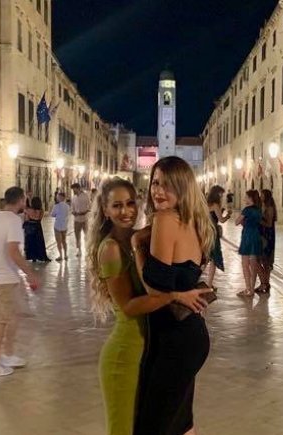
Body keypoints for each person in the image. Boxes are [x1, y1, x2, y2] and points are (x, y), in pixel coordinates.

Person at [88, 177, 209, 435]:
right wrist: (177, 296)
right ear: (105, 210)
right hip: (125, 354)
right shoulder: (110, 248)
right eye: (117, 206)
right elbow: (129, 307)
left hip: (150, 349)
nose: (126, 211)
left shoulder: (140, 239)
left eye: (130, 203)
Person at [131, 156, 215, 435]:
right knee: (181, 424)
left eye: (167, 185)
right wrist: (179, 294)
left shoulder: (166, 219)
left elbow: (154, 288)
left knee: (152, 427)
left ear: (182, 188)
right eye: (155, 183)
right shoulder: (192, 221)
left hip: (175, 340)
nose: (158, 191)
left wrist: (136, 246)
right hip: (188, 336)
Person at [0, 186, 39, 378]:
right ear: (20, 200)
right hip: (4, 277)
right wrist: (30, 273)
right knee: (1, 320)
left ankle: (8, 354)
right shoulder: (14, 220)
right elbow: (13, 251)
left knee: (14, 314)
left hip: (5, 275)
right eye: (24, 199)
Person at [235, 190, 263, 298]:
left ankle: (248, 289)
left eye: (246, 197)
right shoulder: (258, 209)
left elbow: (237, 222)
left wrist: (242, 218)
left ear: (250, 198)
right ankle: (252, 288)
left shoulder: (247, 210)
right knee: (253, 265)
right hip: (256, 236)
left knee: (245, 264)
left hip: (247, 237)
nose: (244, 198)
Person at [205, 185, 230, 288]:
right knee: (214, 259)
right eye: (221, 194)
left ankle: (205, 283)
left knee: (206, 257)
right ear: (217, 194)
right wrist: (228, 215)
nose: (222, 196)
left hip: (206, 231)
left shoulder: (206, 204)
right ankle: (209, 284)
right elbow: (221, 220)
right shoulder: (215, 205)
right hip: (213, 231)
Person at [257, 189, 277, 295]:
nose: (260, 196)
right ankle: (264, 283)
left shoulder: (269, 208)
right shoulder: (262, 206)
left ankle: (265, 283)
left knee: (266, 261)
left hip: (267, 236)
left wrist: (258, 220)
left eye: (262, 195)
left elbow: (269, 224)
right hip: (262, 235)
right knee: (261, 260)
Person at [23, 196, 51, 263]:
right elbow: (40, 219)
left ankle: (33, 257)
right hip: (38, 227)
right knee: (39, 242)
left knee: (31, 242)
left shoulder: (28, 210)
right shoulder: (41, 210)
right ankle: (41, 256)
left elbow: (26, 219)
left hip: (30, 227)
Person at [70, 183, 91, 256]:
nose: (73, 191)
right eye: (73, 190)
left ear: (78, 188)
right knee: (77, 236)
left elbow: (89, 206)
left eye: (74, 189)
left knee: (87, 235)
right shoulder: (74, 198)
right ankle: (79, 250)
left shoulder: (85, 196)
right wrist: (73, 212)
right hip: (76, 220)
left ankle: (88, 249)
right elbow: (72, 207)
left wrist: (85, 211)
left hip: (85, 219)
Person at [51, 192, 70, 261]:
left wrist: (57, 214)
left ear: (61, 197)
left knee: (58, 242)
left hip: (57, 226)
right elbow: (67, 214)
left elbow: (52, 214)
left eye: (58, 197)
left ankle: (60, 255)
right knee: (64, 241)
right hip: (64, 226)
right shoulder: (67, 206)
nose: (57, 198)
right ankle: (65, 255)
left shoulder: (56, 206)